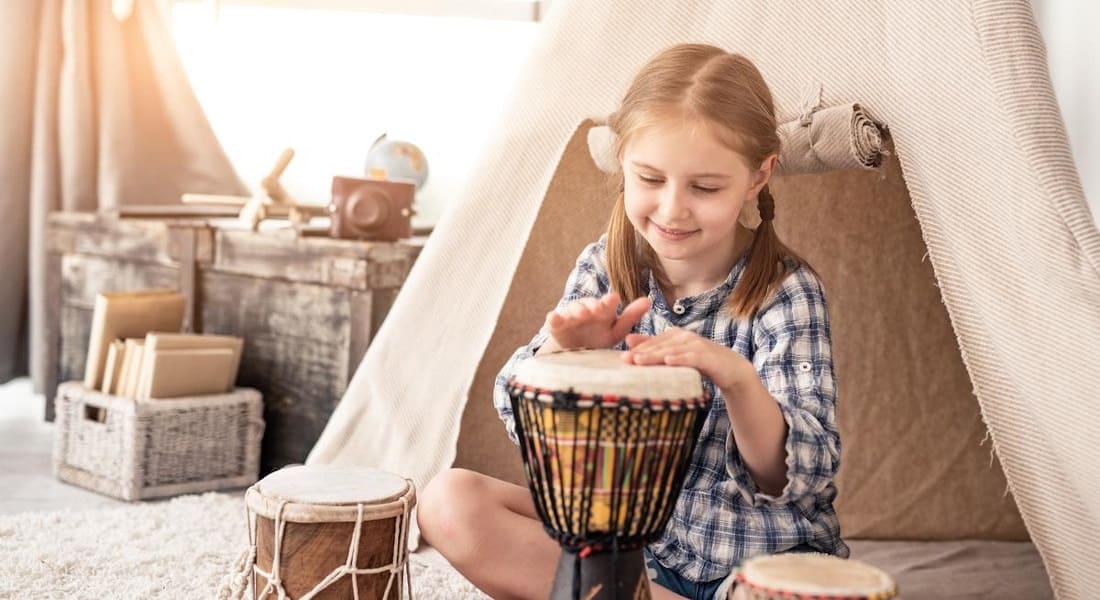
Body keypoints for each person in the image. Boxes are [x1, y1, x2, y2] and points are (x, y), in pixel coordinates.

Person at [417, 43, 848, 600]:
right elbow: (524, 422)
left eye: (705, 187)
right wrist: (561, 350)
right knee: (448, 502)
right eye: (650, 178)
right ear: (622, 162)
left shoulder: (786, 293)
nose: (672, 209)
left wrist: (736, 378)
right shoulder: (606, 269)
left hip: (757, 560)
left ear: (758, 177)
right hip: (633, 553)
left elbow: (795, 475)